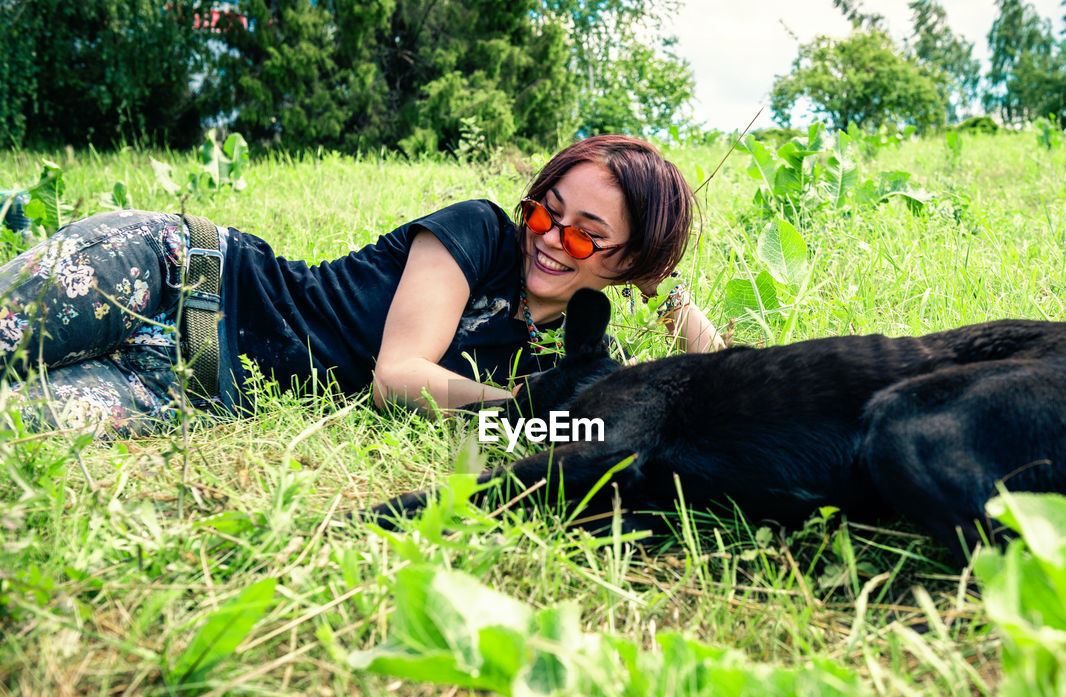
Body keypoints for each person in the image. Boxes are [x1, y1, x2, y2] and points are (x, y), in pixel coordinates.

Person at [0, 135, 723, 437]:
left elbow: (721, 376)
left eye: (583, 234)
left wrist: (663, 287)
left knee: (18, 428)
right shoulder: (477, 231)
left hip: (194, 384)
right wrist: (527, 404)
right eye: (545, 210)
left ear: (627, 262)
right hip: (174, 271)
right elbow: (398, 377)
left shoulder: (564, 350)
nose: (547, 237)